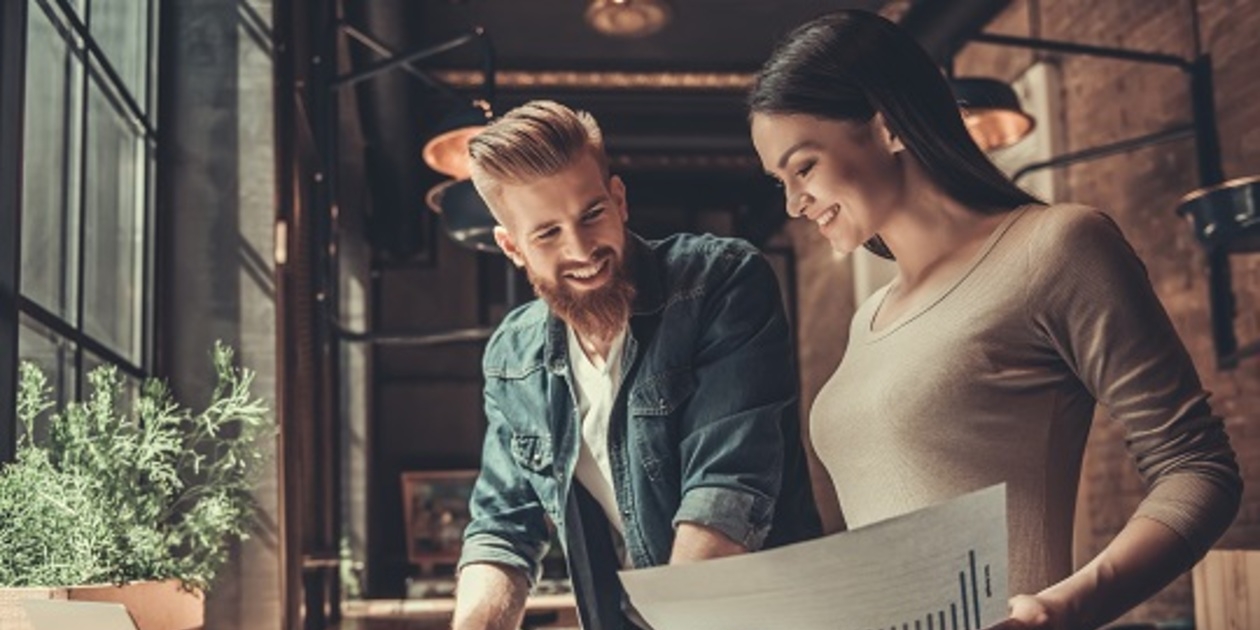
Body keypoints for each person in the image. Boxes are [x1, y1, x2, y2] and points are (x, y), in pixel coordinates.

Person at [748, 10, 1242, 630]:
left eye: (804, 166)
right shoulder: (868, 316)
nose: (794, 203)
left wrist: (1065, 608)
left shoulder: (1058, 247)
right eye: (780, 182)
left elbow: (1198, 468)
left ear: (890, 127)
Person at [452, 100, 821, 630]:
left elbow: (724, 492)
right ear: (512, 247)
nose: (582, 249)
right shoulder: (513, 357)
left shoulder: (719, 281)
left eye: (592, 214)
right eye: (547, 233)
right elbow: (501, 527)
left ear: (618, 200)